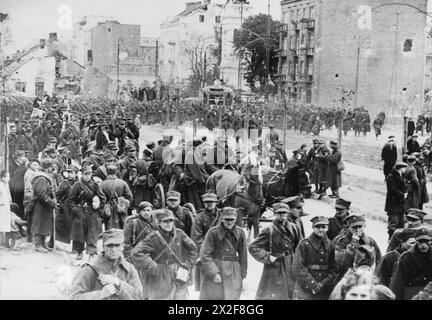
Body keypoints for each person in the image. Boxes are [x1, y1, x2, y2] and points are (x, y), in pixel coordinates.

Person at [131, 208, 198, 300]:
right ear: (158, 223)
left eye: (171, 221)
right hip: (161, 275)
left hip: (179, 273)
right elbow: (135, 253)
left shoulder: (179, 234)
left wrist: (188, 265)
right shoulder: (153, 237)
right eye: (165, 221)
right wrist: (153, 266)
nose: (169, 224)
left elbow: (193, 249)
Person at [70, 229, 143, 300]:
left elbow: (138, 296)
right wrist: (101, 294)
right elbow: (73, 297)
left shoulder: (129, 268)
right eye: (109, 245)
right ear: (103, 246)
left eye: (117, 245)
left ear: (122, 246)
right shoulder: (89, 270)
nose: (113, 249)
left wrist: (119, 283)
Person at [249, 203, 303, 300]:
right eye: (279, 213)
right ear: (275, 213)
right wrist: (268, 257)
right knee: (275, 294)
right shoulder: (268, 230)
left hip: (292, 265)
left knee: (292, 293)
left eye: (284, 213)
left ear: (288, 213)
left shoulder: (295, 228)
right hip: (276, 266)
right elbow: (253, 247)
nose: (282, 215)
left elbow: (302, 247)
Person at [200, 207, 248, 300]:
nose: (229, 222)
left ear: (235, 219)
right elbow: (205, 254)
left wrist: (242, 273)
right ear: (222, 219)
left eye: (232, 219)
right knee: (215, 296)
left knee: (233, 296)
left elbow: (243, 255)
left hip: (234, 269)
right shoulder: (213, 232)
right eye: (227, 219)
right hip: (218, 267)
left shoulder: (240, 233)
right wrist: (214, 272)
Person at [292, 216, 338, 300]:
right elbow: (298, 268)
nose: (320, 230)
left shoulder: (331, 245)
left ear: (327, 228)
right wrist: (312, 285)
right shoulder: (304, 244)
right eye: (317, 227)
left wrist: (322, 284)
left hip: (323, 288)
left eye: (323, 227)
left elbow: (333, 269)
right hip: (305, 286)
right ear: (313, 227)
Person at [68, 165, 107, 261]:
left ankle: (91, 254)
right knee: (80, 234)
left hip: (92, 212)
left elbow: (103, 198)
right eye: (86, 174)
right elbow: (70, 200)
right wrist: (76, 209)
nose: (88, 176)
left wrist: (98, 207)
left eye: (89, 174)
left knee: (92, 234)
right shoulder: (77, 185)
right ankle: (80, 252)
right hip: (80, 212)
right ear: (82, 174)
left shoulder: (95, 185)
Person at [332, 215, 382, 281]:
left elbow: (379, 261)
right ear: (349, 227)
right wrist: (353, 245)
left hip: (365, 276)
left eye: (360, 227)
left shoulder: (370, 242)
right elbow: (339, 261)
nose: (358, 230)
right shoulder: (342, 241)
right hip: (345, 276)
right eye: (355, 227)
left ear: (364, 226)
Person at [390, 228, 432, 300]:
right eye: (420, 241)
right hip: (410, 293)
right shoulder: (406, 257)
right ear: (416, 241)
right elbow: (398, 283)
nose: (423, 245)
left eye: (426, 241)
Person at [31, 158, 57, 253]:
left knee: (44, 224)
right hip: (40, 205)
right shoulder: (41, 178)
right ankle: (38, 244)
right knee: (39, 224)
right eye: (51, 167)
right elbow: (41, 194)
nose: (52, 169)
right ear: (48, 167)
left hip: (44, 205)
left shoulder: (44, 176)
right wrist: (51, 202)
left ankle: (43, 243)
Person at [100, 165, 133, 229]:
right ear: (116, 172)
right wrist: (124, 204)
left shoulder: (102, 184)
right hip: (121, 208)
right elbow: (130, 197)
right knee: (122, 227)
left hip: (108, 210)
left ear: (107, 172)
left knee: (109, 229)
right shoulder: (123, 183)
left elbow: (100, 198)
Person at [385, 162, 408, 240]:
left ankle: (398, 239)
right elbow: (391, 190)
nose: (406, 170)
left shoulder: (401, 176)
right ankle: (391, 239)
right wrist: (402, 195)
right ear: (401, 168)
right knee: (393, 222)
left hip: (400, 203)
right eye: (405, 168)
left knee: (402, 221)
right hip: (393, 203)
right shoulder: (391, 177)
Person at [0, 170, 12, 246]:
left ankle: (5, 242)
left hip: (6, 207)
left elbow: (8, 195)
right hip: (1, 207)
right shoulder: (0, 185)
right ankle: (2, 242)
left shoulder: (6, 185)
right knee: (1, 224)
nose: (9, 178)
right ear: (2, 177)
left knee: (6, 224)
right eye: (7, 176)